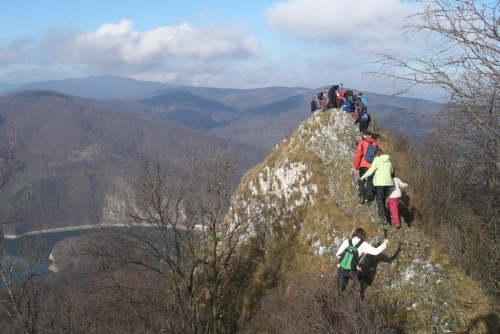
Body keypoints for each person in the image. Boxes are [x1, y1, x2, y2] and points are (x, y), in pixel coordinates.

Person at [336, 227, 389, 297]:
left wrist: (345, 262)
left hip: (342, 270)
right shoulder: (363, 244)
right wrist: (385, 244)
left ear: (354, 234)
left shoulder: (346, 241)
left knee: (340, 290)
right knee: (360, 282)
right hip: (353, 272)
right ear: (363, 235)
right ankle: (358, 297)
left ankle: (339, 301)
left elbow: (338, 255)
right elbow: (376, 251)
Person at [360, 148, 395, 222]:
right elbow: (392, 171)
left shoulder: (377, 160)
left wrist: (363, 177)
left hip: (380, 182)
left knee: (379, 198)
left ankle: (382, 215)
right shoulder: (388, 161)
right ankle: (385, 213)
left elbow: (371, 170)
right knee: (383, 198)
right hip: (388, 183)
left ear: (376, 155)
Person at [353, 131, 379, 204]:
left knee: (362, 180)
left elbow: (358, 155)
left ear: (364, 135)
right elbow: (379, 155)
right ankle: (368, 198)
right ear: (370, 135)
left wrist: (356, 166)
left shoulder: (362, 142)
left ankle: (362, 196)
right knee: (369, 182)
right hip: (372, 166)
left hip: (363, 165)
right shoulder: (375, 143)